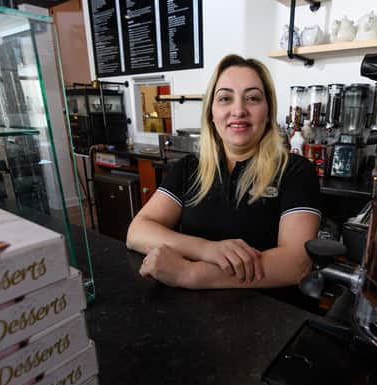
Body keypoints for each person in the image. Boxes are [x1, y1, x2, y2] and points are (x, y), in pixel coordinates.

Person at [126, 54, 321, 289]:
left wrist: (190, 274)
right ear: (211, 112)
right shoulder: (189, 168)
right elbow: (137, 231)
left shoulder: (295, 172)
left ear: (268, 111)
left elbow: (296, 264)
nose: (238, 110)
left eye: (252, 98)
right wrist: (206, 249)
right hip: (190, 313)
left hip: (268, 315)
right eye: (226, 98)